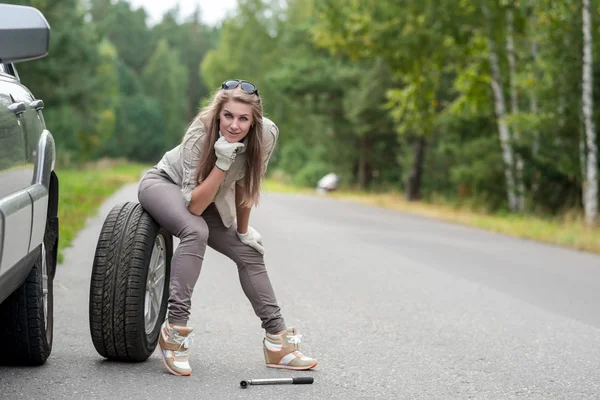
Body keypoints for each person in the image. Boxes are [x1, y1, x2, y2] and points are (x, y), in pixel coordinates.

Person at [137, 79, 317, 377]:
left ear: (253, 120)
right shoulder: (201, 131)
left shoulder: (266, 134)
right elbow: (193, 206)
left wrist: (244, 232)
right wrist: (222, 160)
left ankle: (277, 343)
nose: (234, 125)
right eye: (228, 116)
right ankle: (175, 330)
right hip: (164, 184)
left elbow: (248, 184)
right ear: (219, 113)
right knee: (196, 231)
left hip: (210, 199)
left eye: (243, 118)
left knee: (250, 253)